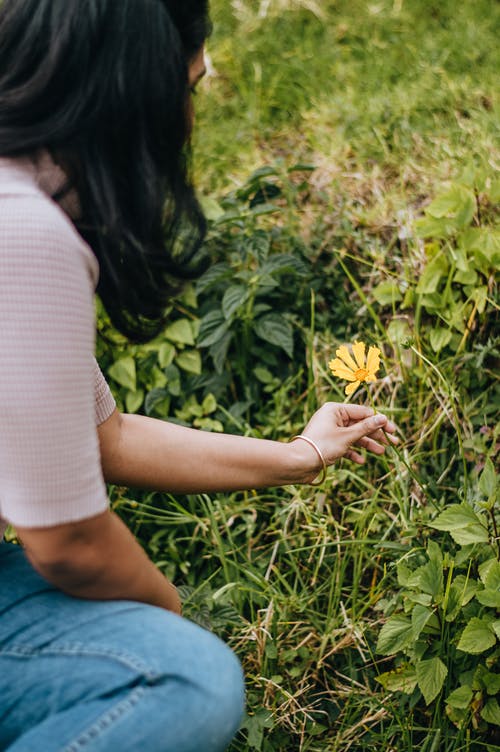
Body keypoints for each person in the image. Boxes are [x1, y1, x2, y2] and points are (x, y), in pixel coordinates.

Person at [0, 1, 398, 750]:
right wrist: (167, 620)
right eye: (190, 89)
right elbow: (71, 543)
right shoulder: (23, 232)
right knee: (185, 681)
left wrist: (299, 455)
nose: (187, 123)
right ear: (134, 91)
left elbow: (105, 438)